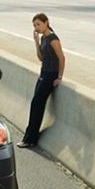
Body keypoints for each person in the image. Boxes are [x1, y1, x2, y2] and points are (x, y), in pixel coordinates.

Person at [17, 13, 65, 148]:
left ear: (46, 23)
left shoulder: (53, 39)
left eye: (38, 24)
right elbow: (41, 58)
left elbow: (62, 58)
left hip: (50, 76)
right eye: (34, 25)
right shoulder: (44, 38)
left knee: (37, 104)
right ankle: (29, 137)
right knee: (35, 104)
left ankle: (30, 139)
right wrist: (36, 42)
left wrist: (59, 77)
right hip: (43, 73)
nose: (36, 27)